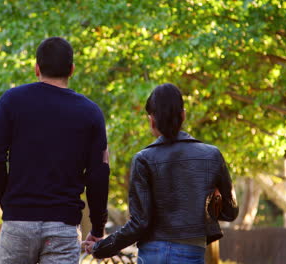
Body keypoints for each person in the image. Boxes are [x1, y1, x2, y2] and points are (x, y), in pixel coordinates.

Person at [0, 37, 110, 264]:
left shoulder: (12, 101)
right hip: (63, 226)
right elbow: (99, 175)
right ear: (72, 70)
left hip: (18, 222)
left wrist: (7, 200)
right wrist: (98, 227)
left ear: (37, 68)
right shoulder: (90, 112)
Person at [83, 83, 239, 264]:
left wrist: (101, 248)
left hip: (152, 254)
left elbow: (140, 223)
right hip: (192, 251)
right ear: (183, 115)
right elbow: (230, 212)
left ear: (151, 121)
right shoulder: (212, 156)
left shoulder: (143, 159)